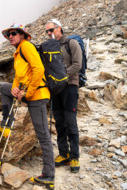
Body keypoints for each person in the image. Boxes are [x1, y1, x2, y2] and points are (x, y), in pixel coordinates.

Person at [0, 23, 55, 188]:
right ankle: (6, 123)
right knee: (4, 88)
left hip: (37, 95)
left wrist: (26, 93)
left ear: (22, 34)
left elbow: (39, 69)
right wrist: (15, 88)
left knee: (42, 135)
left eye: (13, 33)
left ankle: (49, 175)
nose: (10, 37)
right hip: (28, 93)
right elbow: (19, 75)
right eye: (8, 35)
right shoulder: (17, 51)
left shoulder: (27, 46)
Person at [45, 19, 82, 173]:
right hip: (56, 89)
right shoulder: (50, 46)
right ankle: (63, 154)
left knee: (70, 122)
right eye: (47, 31)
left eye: (51, 30)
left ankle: (74, 157)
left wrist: (62, 76)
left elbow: (77, 64)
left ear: (59, 28)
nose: (49, 33)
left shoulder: (71, 44)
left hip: (70, 86)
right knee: (59, 122)